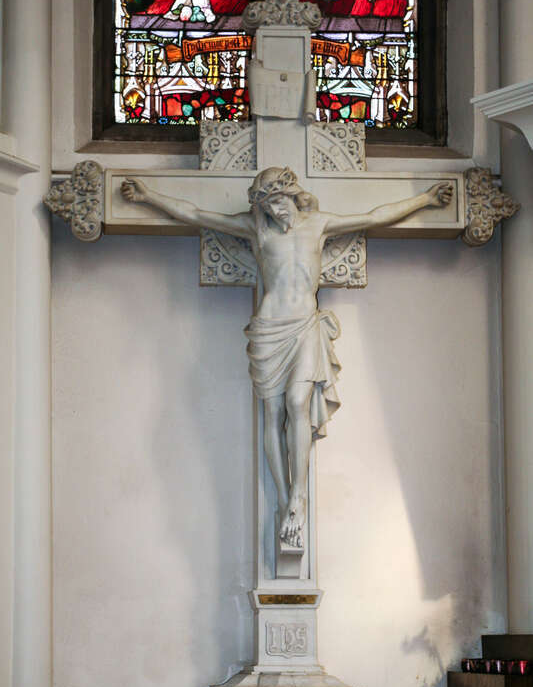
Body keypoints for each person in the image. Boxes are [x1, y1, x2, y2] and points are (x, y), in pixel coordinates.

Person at [121, 168, 453, 549]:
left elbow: (375, 216)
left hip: (304, 325)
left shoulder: (319, 224)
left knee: (299, 403)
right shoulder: (256, 230)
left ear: (294, 195)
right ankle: (283, 499)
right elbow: (195, 214)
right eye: (266, 204)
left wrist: (425, 200)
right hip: (269, 328)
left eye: (279, 200)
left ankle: (299, 494)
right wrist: (148, 197)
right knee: (272, 413)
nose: (275, 209)